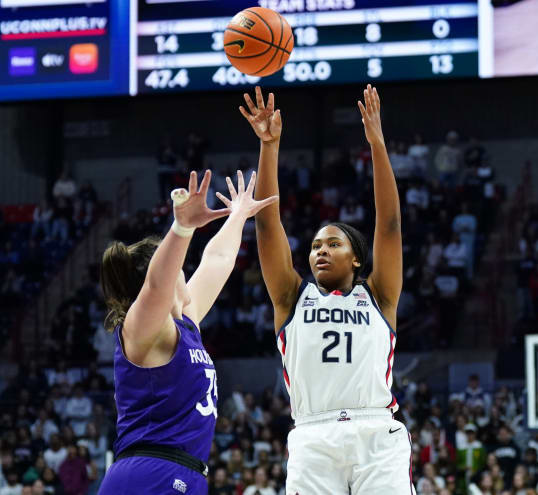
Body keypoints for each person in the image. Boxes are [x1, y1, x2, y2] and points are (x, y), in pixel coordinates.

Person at [241, 85, 414, 493]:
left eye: (333, 244)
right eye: (316, 245)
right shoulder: (291, 297)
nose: (320, 251)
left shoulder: (379, 295)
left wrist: (377, 144)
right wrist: (269, 146)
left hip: (375, 431)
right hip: (313, 435)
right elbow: (267, 225)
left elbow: (389, 224)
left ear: (357, 258)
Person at [97, 170, 277, 494]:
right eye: (178, 265)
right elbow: (156, 285)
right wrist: (182, 228)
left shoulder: (185, 325)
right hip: (147, 472)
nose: (184, 268)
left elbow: (218, 259)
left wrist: (238, 215)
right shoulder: (141, 329)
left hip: (187, 475)